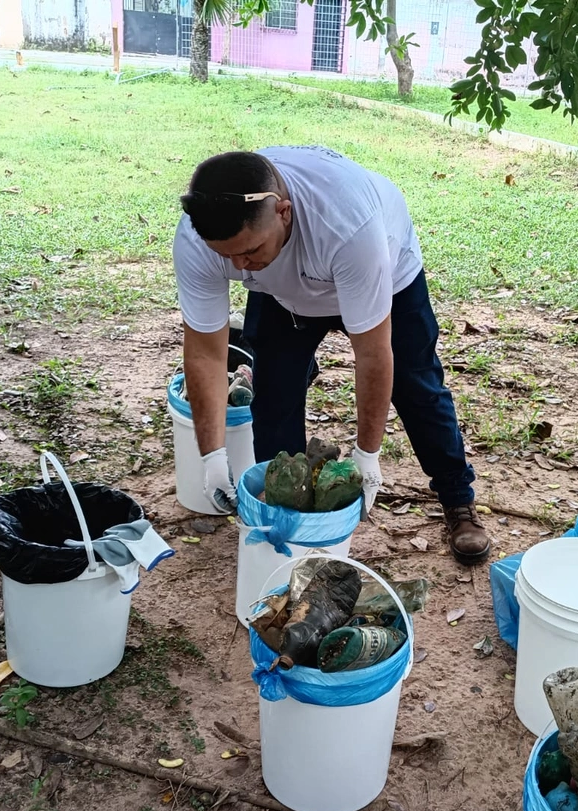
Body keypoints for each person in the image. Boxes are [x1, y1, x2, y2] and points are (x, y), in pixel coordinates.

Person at [171, 146, 491, 566]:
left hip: (384, 277)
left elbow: (373, 355)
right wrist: (212, 458)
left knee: (419, 389)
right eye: (226, 256)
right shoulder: (199, 239)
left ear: (283, 212)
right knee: (273, 397)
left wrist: (367, 456)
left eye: (249, 252)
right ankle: (287, 517)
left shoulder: (347, 226)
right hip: (284, 295)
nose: (239, 265)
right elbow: (204, 356)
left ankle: (457, 500)